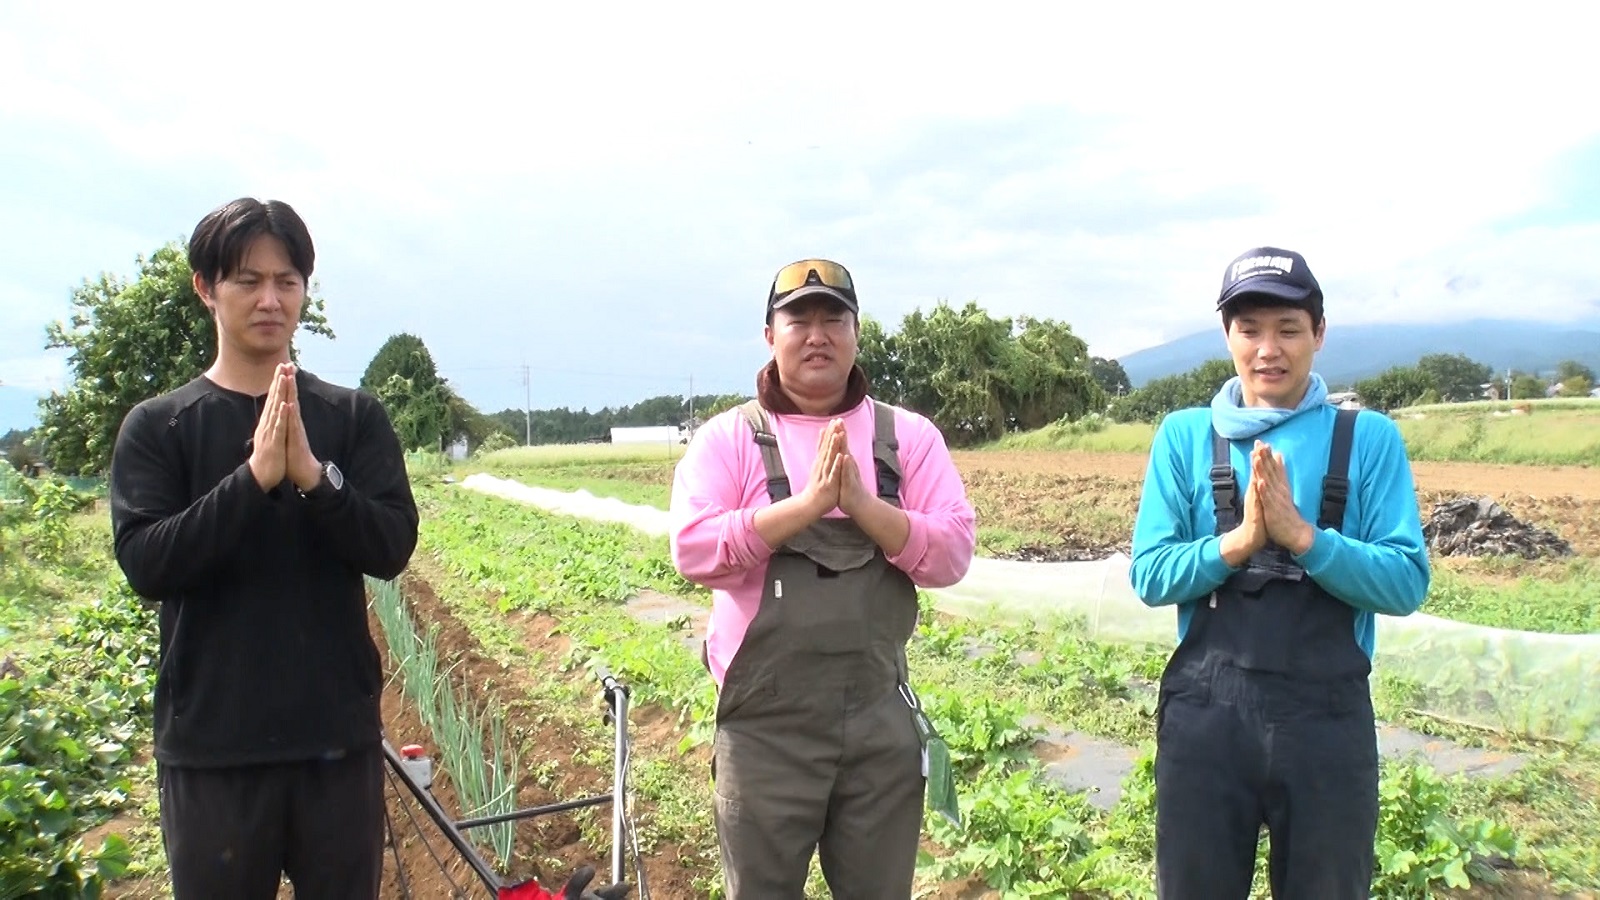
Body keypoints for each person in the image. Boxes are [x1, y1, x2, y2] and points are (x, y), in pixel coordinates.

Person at [108, 197, 420, 899]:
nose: (270, 299)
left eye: (287, 280)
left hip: (334, 747)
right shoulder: (159, 428)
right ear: (206, 288)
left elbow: (392, 543)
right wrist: (252, 481)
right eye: (247, 280)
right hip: (213, 753)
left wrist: (315, 479)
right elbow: (149, 563)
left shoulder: (351, 418)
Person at [669, 258, 977, 899]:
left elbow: (952, 553)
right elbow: (693, 551)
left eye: (832, 318)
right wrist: (804, 508)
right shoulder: (731, 439)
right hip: (764, 734)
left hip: (877, 725)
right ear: (769, 335)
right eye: (797, 319)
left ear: (856, 331)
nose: (817, 334)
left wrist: (866, 508)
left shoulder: (907, 438)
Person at [1129, 247, 1431, 898]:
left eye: (1288, 328)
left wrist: (1305, 538)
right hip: (1207, 720)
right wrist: (1236, 543)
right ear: (1227, 336)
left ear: (1318, 334)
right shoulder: (1185, 437)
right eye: (1250, 329)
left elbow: (1407, 580)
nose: (1269, 348)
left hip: (1326, 723)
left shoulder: (1368, 439)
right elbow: (1151, 574)